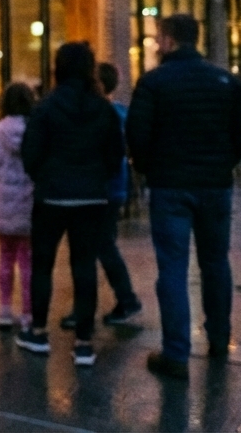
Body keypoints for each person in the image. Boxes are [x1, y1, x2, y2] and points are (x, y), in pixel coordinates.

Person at [127, 14, 241, 380]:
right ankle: (218, 339)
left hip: (170, 187)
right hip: (215, 186)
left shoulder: (153, 83)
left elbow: (137, 136)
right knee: (216, 262)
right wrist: (222, 162)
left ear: (167, 40)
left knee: (172, 268)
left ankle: (176, 354)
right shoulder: (226, 82)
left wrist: (154, 167)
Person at [16, 42, 125, 367]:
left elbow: (30, 152)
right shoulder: (102, 108)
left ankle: (37, 332)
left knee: (43, 264)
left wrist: (44, 176)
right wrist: (97, 179)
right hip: (91, 196)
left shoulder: (46, 106)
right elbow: (115, 154)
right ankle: (83, 342)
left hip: (51, 195)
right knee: (84, 266)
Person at [60, 62, 142, 331]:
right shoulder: (121, 113)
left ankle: (110, 303)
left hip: (96, 190)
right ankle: (125, 299)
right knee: (103, 245)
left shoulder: (95, 114)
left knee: (89, 249)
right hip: (115, 189)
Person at [0, 82, 38, 331]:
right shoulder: (36, 132)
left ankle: (4, 310)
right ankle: (28, 313)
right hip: (29, 205)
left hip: (3, 204)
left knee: (5, 258)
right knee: (27, 262)